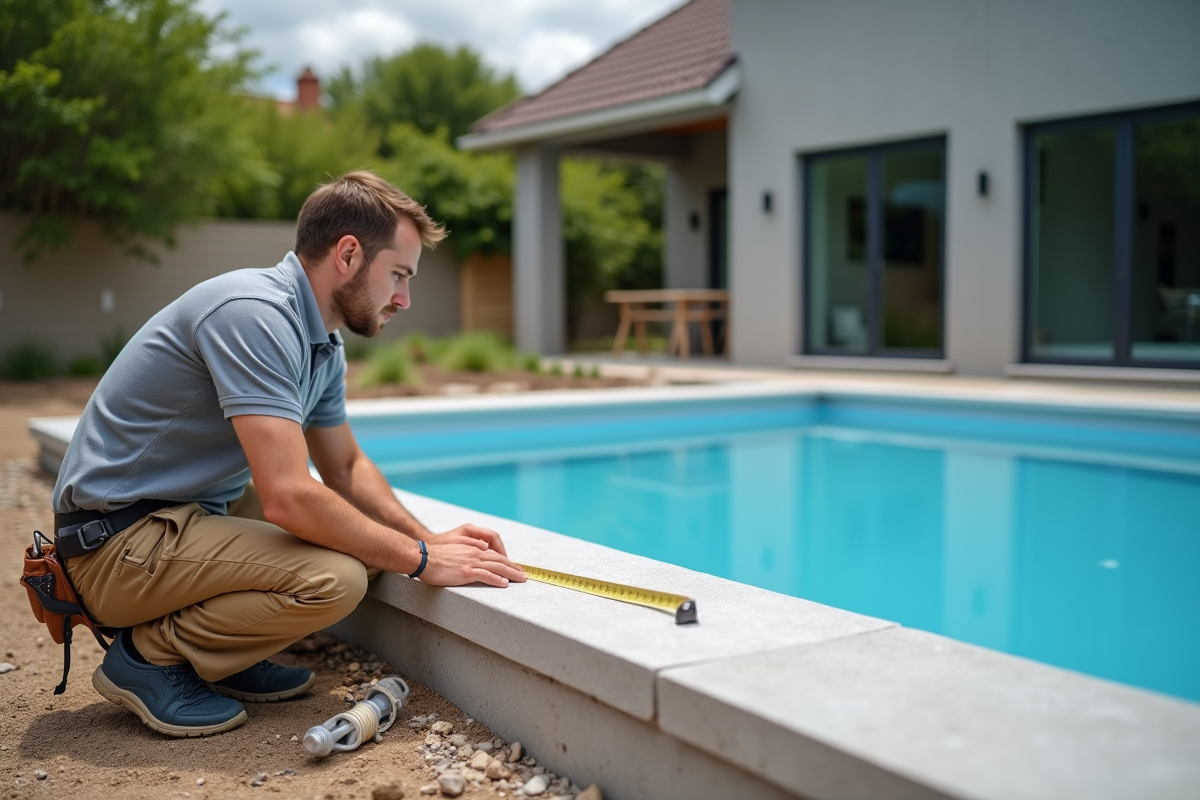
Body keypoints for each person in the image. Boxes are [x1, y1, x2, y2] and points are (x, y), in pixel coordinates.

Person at [50, 170, 526, 737]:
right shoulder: (253, 313)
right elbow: (287, 496)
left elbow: (345, 467)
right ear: (348, 254)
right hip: (115, 544)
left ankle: (221, 652)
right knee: (337, 577)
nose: (404, 298)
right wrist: (423, 562)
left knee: (370, 538)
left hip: (180, 521)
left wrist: (425, 539)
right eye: (399, 274)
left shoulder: (321, 340)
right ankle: (149, 658)